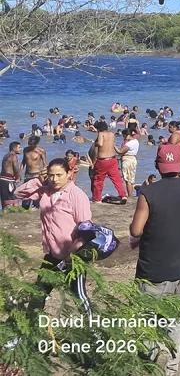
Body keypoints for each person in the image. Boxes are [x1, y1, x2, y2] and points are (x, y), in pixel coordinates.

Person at [129, 143, 180, 376]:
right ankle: (171, 369)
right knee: (175, 322)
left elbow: (135, 230)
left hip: (153, 271)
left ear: (157, 166)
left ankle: (151, 366)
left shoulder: (149, 194)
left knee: (148, 321)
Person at [14, 158, 93, 314]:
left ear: (69, 174)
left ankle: (96, 330)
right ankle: (31, 329)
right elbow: (19, 193)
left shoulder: (77, 195)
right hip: (51, 254)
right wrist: (38, 180)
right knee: (39, 293)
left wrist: (74, 255)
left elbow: (86, 229)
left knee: (78, 295)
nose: (55, 179)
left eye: (59, 175)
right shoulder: (46, 191)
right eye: (51, 175)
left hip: (72, 257)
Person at [91, 121, 127, 203]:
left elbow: (100, 144)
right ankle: (123, 195)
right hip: (113, 159)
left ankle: (97, 199)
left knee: (98, 180)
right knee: (117, 179)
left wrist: (95, 143)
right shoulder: (111, 134)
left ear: (99, 129)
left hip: (103, 160)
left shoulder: (101, 134)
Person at [116, 129, 139, 200]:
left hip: (127, 160)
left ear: (128, 135)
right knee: (131, 179)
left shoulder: (129, 144)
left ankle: (129, 196)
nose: (124, 138)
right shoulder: (136, 141)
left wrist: (113, 146)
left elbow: (120, 152)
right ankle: (130, 195)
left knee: (127, 180)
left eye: (124, 136)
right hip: (133, 159)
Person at [1, 142, 22, 208]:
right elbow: (16, 168)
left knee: (5, 199)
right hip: (8, 179)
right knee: (14, 199)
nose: (20, 149)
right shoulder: (13, 156)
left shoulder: (6, 155)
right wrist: (18, 178)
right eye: (19, 147)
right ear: (14, 148)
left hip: (2, 178)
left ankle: (5, 215)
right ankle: (15, 216)